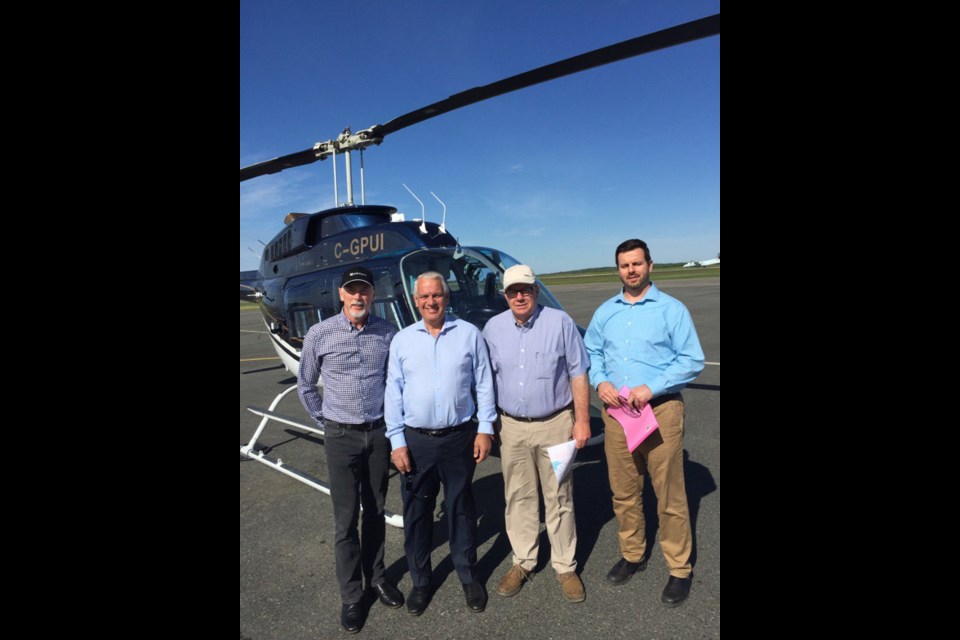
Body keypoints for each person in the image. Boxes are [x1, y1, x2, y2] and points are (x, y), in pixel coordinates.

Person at [584, 239, 705, 608]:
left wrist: (650, 387)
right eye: (624, 265)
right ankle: (633, 554)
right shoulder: (607, 311)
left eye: (637, 264)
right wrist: (600, 382)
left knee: (669, 494)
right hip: (618, 414)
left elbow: (691, 359)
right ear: (617, 269)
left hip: (660, 411)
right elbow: (591, 351)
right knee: (624, 491)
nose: (631, 271)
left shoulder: (672, 310)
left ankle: (679, 568)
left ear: (650, 265)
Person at [297, 266, 404, 633]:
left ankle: (376, 578)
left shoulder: (387, 333)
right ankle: (351, 596)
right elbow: (306, 385)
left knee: (375, 510)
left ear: (373, 295)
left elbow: (395, 383)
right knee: (345, 520)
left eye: (365, 290)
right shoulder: (319, 334)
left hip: (377, 434)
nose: (358, 296)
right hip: (340, 436)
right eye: (351, 290)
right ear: (341, 294)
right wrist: (326, 423)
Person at [385, 272, 497, 616]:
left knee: (461, 508)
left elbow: (484, 383)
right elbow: (393, 392)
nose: (431, 302)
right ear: (415, 301)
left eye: (437, 295)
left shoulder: (468, 334)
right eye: (424, 297)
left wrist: (486, 428)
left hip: (458, 437)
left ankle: (467, 573)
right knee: (418, 513)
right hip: (416, 441)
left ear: (446, 298)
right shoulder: (402, 340)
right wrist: (396, 440)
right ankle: (421, 581)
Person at [481, 265, 591, 603]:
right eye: (513, 290)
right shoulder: (493, 328)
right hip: (511, 427)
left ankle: (565, 565)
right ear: (504, 295)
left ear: (536, 291)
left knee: (559, 496)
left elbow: (578, 372)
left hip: (556, 424)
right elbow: (485, 381)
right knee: (519, 497)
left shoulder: (559, 323)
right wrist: (488, 424)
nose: (519, 296)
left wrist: (582, 419)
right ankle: (524, 561)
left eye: (525, 290)